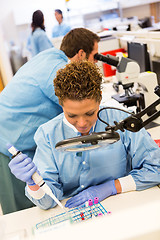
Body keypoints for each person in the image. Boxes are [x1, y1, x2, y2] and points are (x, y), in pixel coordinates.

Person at [9, 61, 160, 210]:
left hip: (121, 205)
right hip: (72, 212)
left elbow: (156, 169)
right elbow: (48, 202)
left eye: (89, 113)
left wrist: (111, 187)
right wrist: (33, 183)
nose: (82, 123)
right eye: (72, 115)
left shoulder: (123, 122)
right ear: (61, 104)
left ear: (99, 98)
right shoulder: (48, 134)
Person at [0, 28, 100, 214]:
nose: (96, 62)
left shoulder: (51, 56)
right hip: (8, 141)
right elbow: (82, 109)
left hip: (14, 132)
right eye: (95, 56)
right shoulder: (58, 70)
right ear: (81, 54)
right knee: (24, 210)